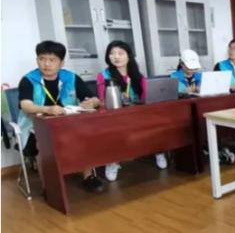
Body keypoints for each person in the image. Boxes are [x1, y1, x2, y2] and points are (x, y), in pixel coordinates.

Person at [17, 40, 104, 193]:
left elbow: (94, 99)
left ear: (61, 63)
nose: (46, 64)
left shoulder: (70, 77)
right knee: (43, 144)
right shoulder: (29, 79)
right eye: (42, 59)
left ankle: (88, 176)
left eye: (52, 60)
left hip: (68, 124)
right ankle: (49, 186)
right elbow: (25, 105)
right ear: (37, 60)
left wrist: (92, 102)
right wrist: (47, 109)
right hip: (36, 126)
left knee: (86, 135)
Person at [98, 41, 168, 181]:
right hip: (115, 116)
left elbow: (146, 97)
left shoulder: (137, 75)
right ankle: (112, 161)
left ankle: (158, 150)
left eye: (120, 53)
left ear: (128, 56)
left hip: (137, 113)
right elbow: (102, 100)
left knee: (159, 120)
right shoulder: (104, 75)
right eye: (112, 54)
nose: (116, 57)